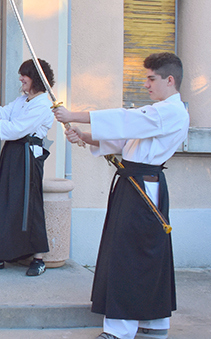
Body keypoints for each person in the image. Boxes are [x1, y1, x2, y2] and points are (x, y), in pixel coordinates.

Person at [53, 52, 187, 339]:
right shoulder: (158, 113)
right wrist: (84, 135)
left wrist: (74, 114)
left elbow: (125, 119)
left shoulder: (170, 112)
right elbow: (126, 139)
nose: (147, 84)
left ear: (170, 79)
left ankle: (120, 330)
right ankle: (153, 322)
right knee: (143, 254)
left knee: (129, 255)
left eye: (152, 78)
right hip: (137, 185)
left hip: (142, 189)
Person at [0, 59, 54, 276]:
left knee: (29, 203)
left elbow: (17, 129)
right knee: (5, 200)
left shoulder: (43, 104)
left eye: (24, 75)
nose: (20, 79)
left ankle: (39, 258)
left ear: (35, 77)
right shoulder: (24, 100)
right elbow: (1, 112)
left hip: (27, 157)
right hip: (12, 153)